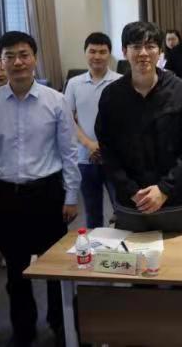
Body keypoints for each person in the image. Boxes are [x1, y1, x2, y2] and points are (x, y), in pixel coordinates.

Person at [0, 31, 80, 346]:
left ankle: (61, 324)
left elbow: (69, 152)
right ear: (0, 62)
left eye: (24, 55)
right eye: (10, 56)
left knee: (55, 267)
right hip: (6, 196)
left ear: (34, 58)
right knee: (15, 271)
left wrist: (71, 196)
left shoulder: (55, 100)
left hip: (48, 194)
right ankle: (23, 329)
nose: (17, 62)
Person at [95, 21, 182, 230]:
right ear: (124, 51)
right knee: (131, 250)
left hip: (175, 200)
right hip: (131, 202)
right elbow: (107, 149)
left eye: (150, 46)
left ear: (160, 51)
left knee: (178, 251)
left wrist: (164, 189)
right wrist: (132, 191)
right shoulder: (111, 95)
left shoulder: (181, 90)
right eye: (136, 46)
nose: (143, 53)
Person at [64, 32, 122, 229]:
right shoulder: (74, 83)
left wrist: (104, 147)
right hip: (85, 157)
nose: (97, 56)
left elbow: (126, 121)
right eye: (92, 51)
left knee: (122, 210)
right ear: (85, 53)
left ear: (109, 55)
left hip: (115, 158)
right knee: (92, 213)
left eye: (102, 52)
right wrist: (89, 144)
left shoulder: (121, 81)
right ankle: (95, 247)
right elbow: (68, 119)